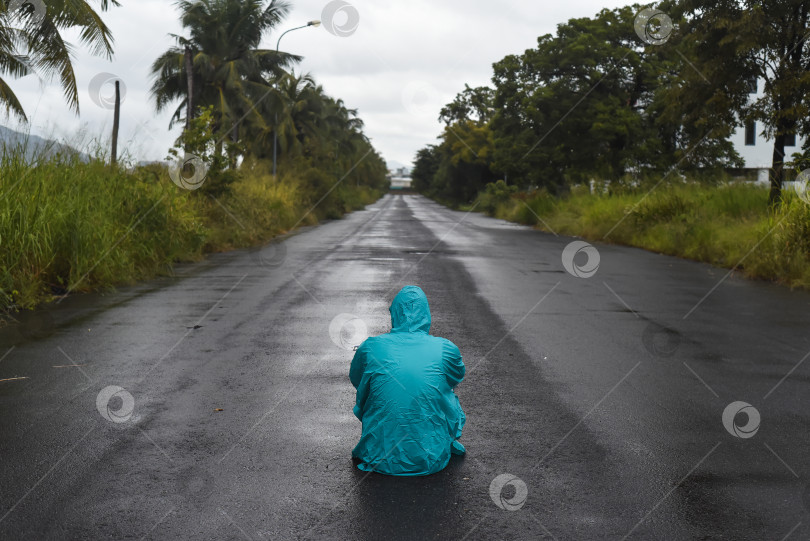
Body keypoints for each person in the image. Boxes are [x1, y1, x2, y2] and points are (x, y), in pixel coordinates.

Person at [349, 285, 466, 476]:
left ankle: (381, 438)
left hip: (379, 456)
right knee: (444, 392)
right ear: (426, 314)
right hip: (430, 458)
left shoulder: (371, 346)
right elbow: (457, 376)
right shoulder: (445, 349)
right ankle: (438, 438)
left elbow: (357, 378)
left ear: (394, 313)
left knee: (374, 389)